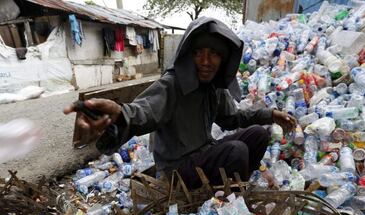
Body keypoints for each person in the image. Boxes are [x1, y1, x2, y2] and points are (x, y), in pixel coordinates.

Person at [64, 17, 296, 189]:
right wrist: (119, 115)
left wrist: (271, 114)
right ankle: (229, 200)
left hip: (205, 154)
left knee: (258, 134)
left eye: (214, 53)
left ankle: (240, 182)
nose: (206, 61)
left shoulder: (214, 87)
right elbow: (143, 112)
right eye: (199, 52)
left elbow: (232, 119)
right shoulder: (172, 85)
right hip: (177, 169)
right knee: (236, 152)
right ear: (188, 55)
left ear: (223, 59)